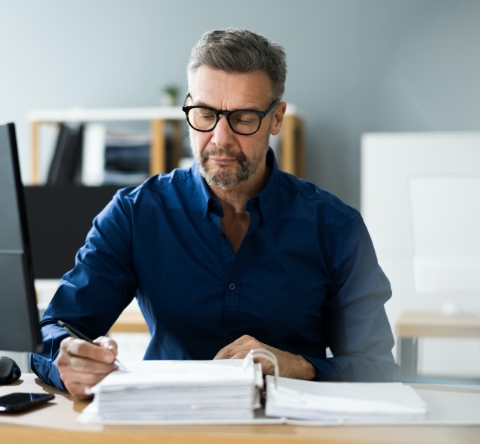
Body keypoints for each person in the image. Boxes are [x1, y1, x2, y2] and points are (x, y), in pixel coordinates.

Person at [30, 28, 398, 399]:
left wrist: (297, 366)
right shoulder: (134, 214)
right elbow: (55, 329)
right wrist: (67, 359)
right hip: (165, 424)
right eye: (205, 114)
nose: (220, 138)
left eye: (242, 118)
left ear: (277, 119)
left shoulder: (336, 228)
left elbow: (378, 367)